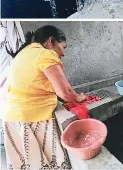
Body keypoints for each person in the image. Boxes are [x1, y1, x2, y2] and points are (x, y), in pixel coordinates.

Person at [2, 25, 86, 169]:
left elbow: (58, 85)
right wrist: (78, 98)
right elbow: (65, 93)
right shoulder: (45, 54)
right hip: (31, 119)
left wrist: (71, 93)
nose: (63, 53)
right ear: (51, 42)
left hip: (12, 119)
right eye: (63, 47)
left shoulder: (26, 53)